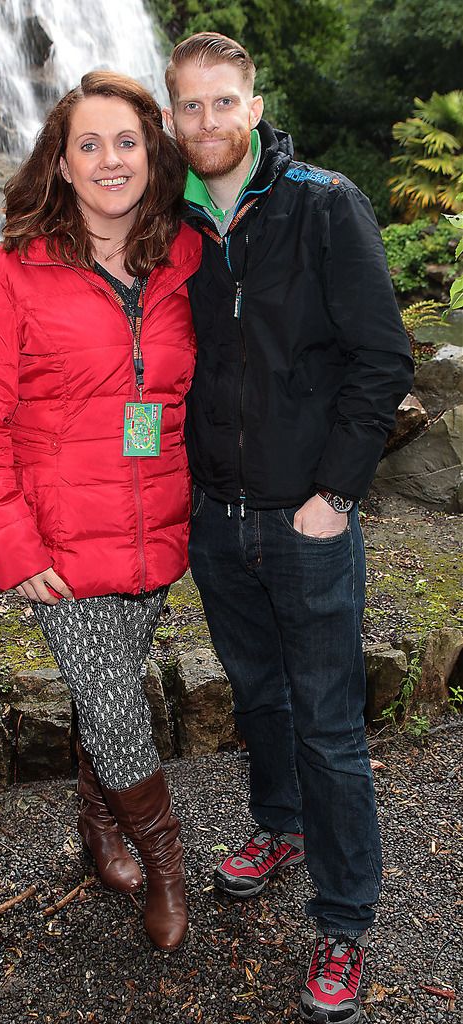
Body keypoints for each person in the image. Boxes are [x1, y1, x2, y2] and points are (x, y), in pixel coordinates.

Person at [162, 32, 414, 1021]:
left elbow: (381, 358)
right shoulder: (174, 224)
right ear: (171, 113)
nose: (208, 123)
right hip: (215, 523)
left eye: (224, 103)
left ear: (252, 104)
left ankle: (344, 920)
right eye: (189, 107)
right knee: (258, 700)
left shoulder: (319, 201)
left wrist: (334, 491)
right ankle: (274, 826)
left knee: (326, 723)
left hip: (304, 525)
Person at [0, 70, 201, 953]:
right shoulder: (9, 272)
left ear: (152, 153)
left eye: (125, 141)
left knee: (108, 700)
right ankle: (164, 864)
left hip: (154, 532)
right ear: (58, 161)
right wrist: (14, 549)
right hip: (60, 548)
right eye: (85, 143)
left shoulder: (185, 260)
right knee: (118, 707)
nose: (108, 159)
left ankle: (97, 828)